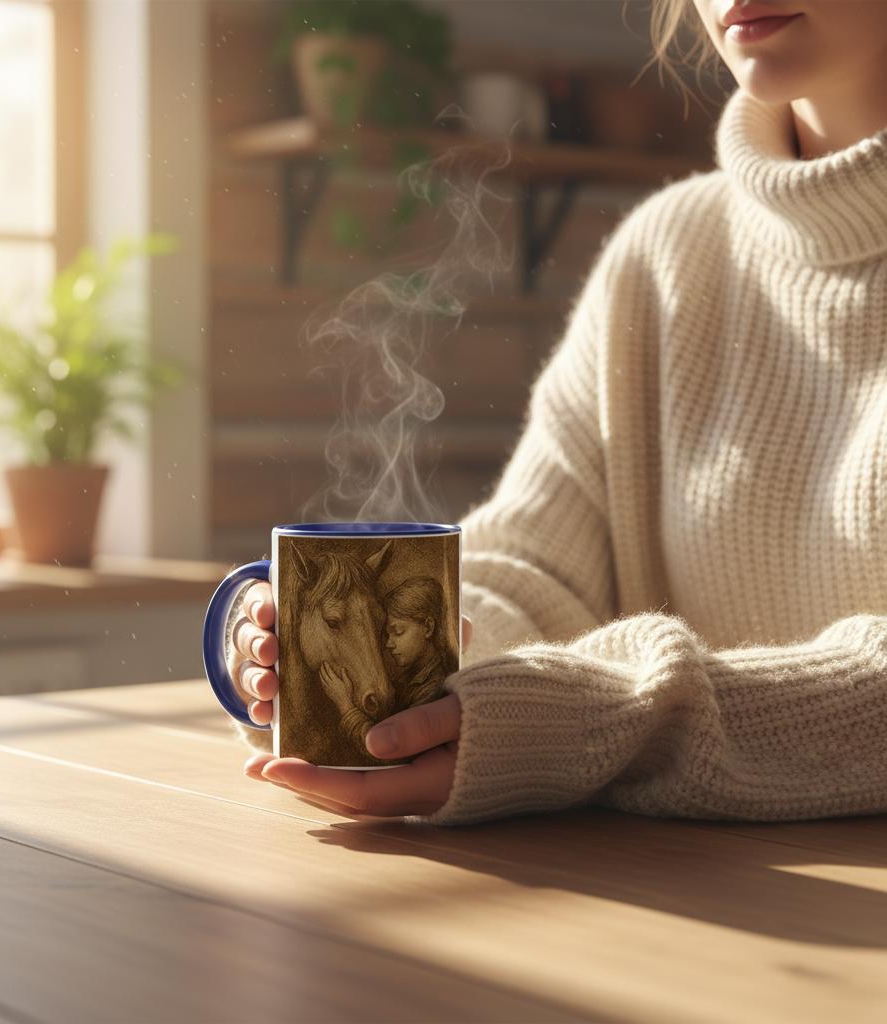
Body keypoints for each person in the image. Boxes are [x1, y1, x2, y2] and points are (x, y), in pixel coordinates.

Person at [227, 0, 887, 825]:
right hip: (662, 889)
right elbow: (541, 569)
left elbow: (597, 719)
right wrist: (407, 651)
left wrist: (605, 725)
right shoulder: (665, 254)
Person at [383, 577, 453, 709]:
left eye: (398, 632)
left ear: (428, 628)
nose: (388, 644)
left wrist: (349, 710)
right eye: (387, 635)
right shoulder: (405, 681)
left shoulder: (435, 688)